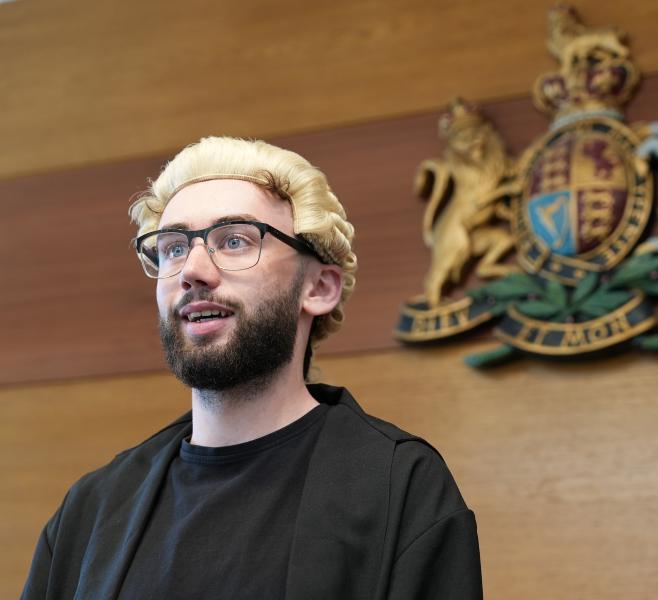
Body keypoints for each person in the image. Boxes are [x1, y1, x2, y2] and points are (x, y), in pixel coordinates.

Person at [21, 137, 482, 599]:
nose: (192, 270)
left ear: (319, 288)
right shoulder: (93, 509)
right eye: (173, 247)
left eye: (235, 240)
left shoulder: (398, 486)